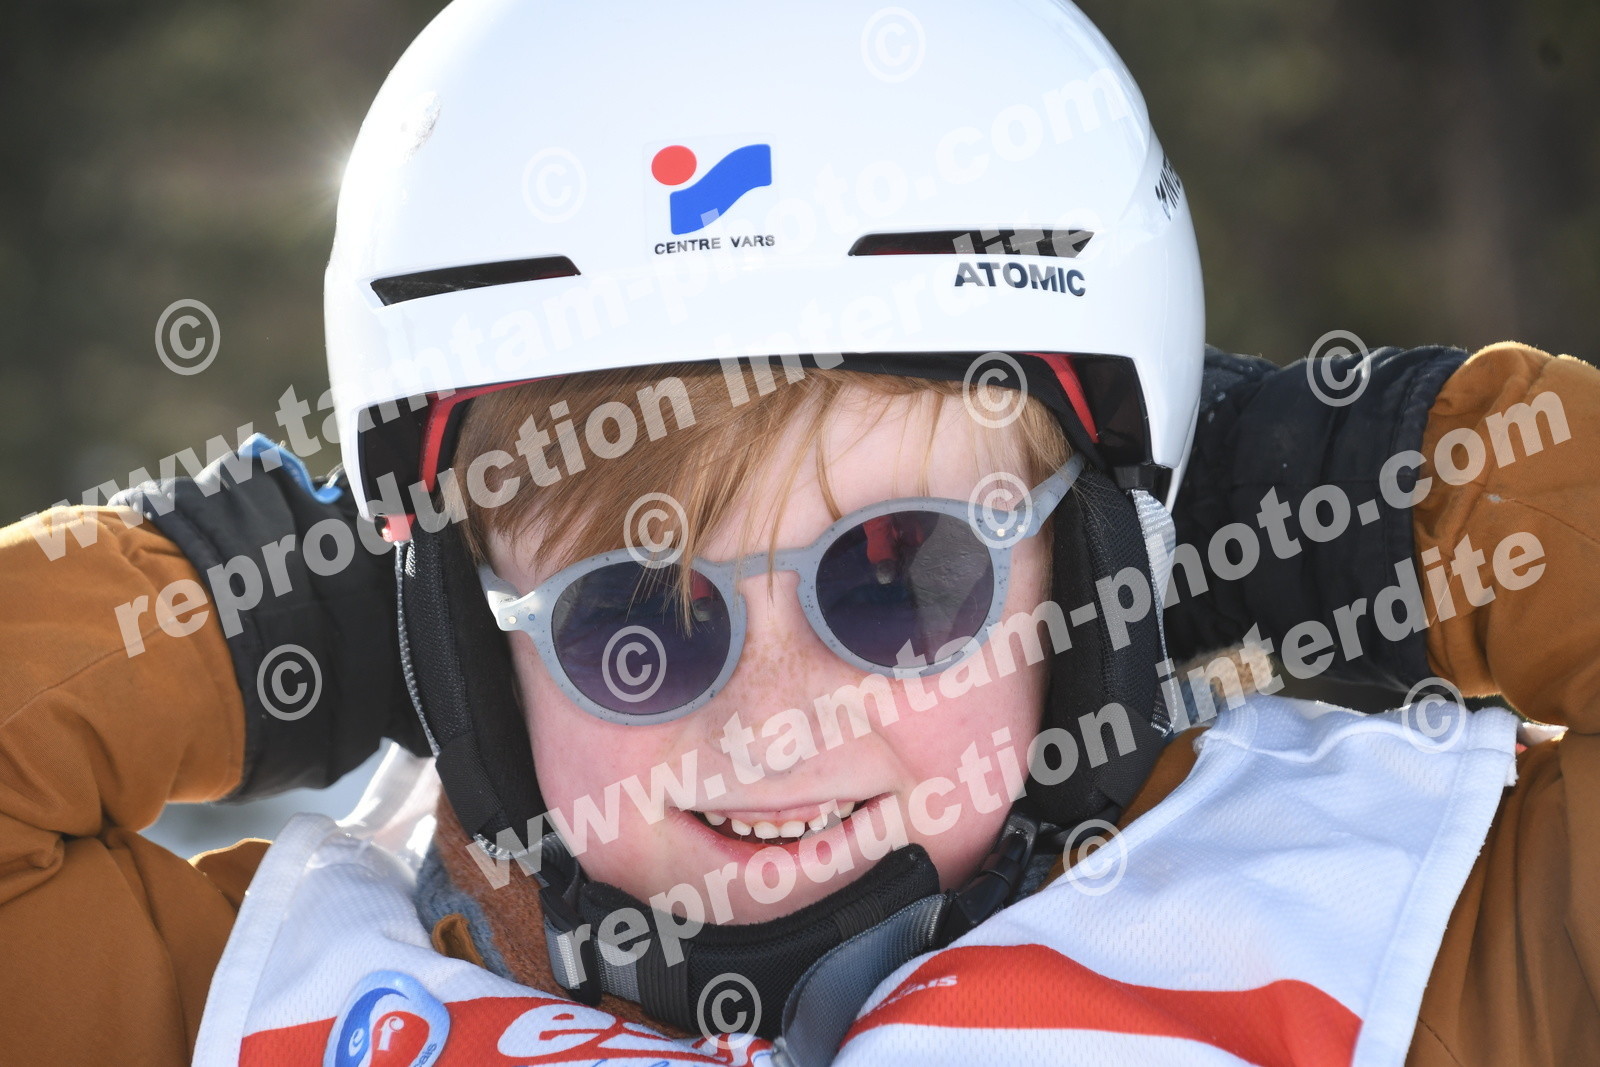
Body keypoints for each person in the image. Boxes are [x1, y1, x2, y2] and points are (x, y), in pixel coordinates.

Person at [1, 2, 1595, 1064]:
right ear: (469, 654)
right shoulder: (296, 1003)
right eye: (636, 622)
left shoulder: (1391, 945)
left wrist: (1355, 491)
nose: (776, 720)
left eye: (903, 580)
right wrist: (266, 612)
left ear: (1095, 571)